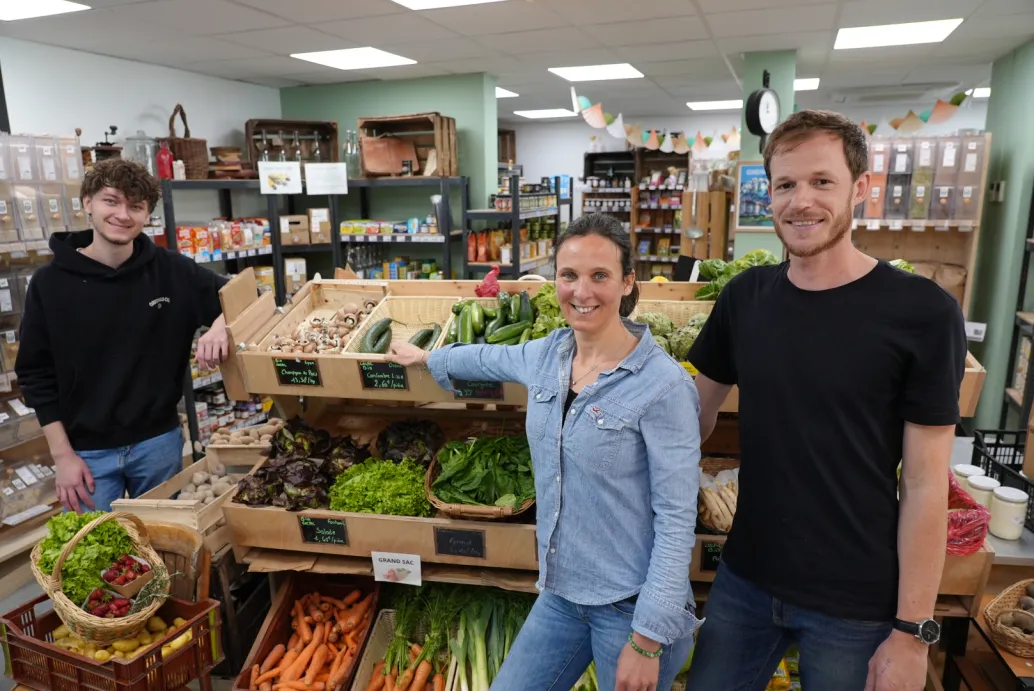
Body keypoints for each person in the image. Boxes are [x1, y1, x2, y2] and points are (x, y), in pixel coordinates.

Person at [684, 110, 966, 691]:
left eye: (821, 181)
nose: (801, 201)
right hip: (745, 579)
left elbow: (924, 485)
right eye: (785, 184)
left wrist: (912, 633)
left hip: (855, 602)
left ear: (860, 188)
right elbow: (690, 417)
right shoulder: (745, 298)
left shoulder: (924, 313)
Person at [387, 213, 701, 691]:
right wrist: (429, 357)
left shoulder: (665, 386)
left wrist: (647, 639)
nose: (582, 291)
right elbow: (489, 357)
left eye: (600, 275)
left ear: (627, 282)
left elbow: (677, 520)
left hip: (630, 607)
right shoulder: (550, 354)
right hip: (562, 592)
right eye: (569, 275)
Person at [16, 158, 231, 513]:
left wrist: (224, 323)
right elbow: (35, 374)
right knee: (94, 545)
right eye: (111, 201)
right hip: (85, 453)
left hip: (159, 444)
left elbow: (249, 296)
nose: (123, 215)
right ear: (88, 203)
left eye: (136, 206)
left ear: (147, 214)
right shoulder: (49, 284)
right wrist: (62, 456)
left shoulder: (172, 271)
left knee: (164, 539)